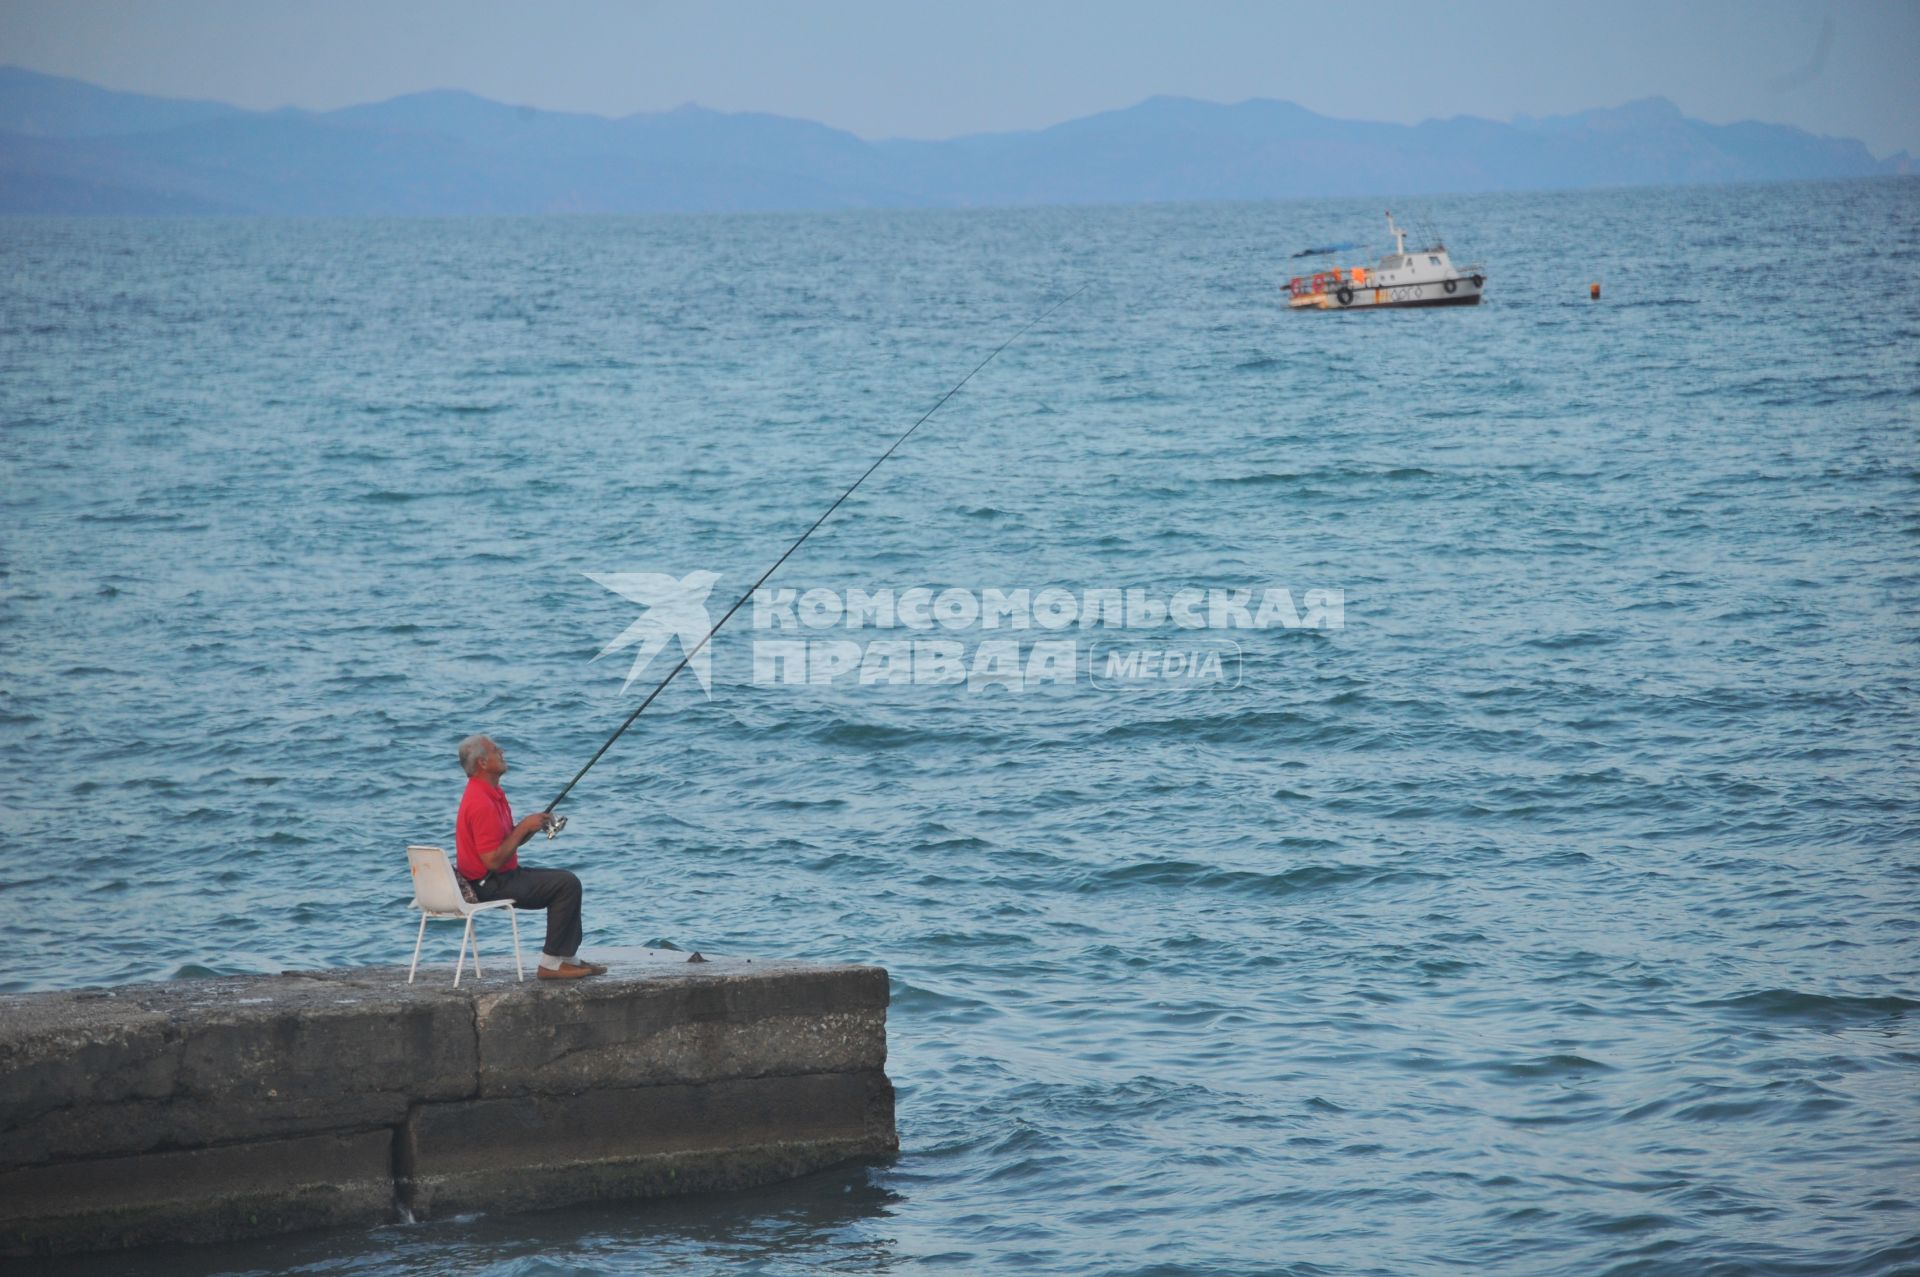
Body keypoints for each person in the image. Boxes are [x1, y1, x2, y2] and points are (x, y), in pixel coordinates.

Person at [454, 734, 605, 980]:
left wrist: (531, 827)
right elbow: (492, 861)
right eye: (495, 750)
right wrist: (523, 827)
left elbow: (505, 845)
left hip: (500, 875)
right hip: (488, 884)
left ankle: (566, 959)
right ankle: (551, 964)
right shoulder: (480, 801)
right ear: (482, 763)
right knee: (565, 885)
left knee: (567, 880)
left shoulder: (493, 793)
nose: (502, 752)